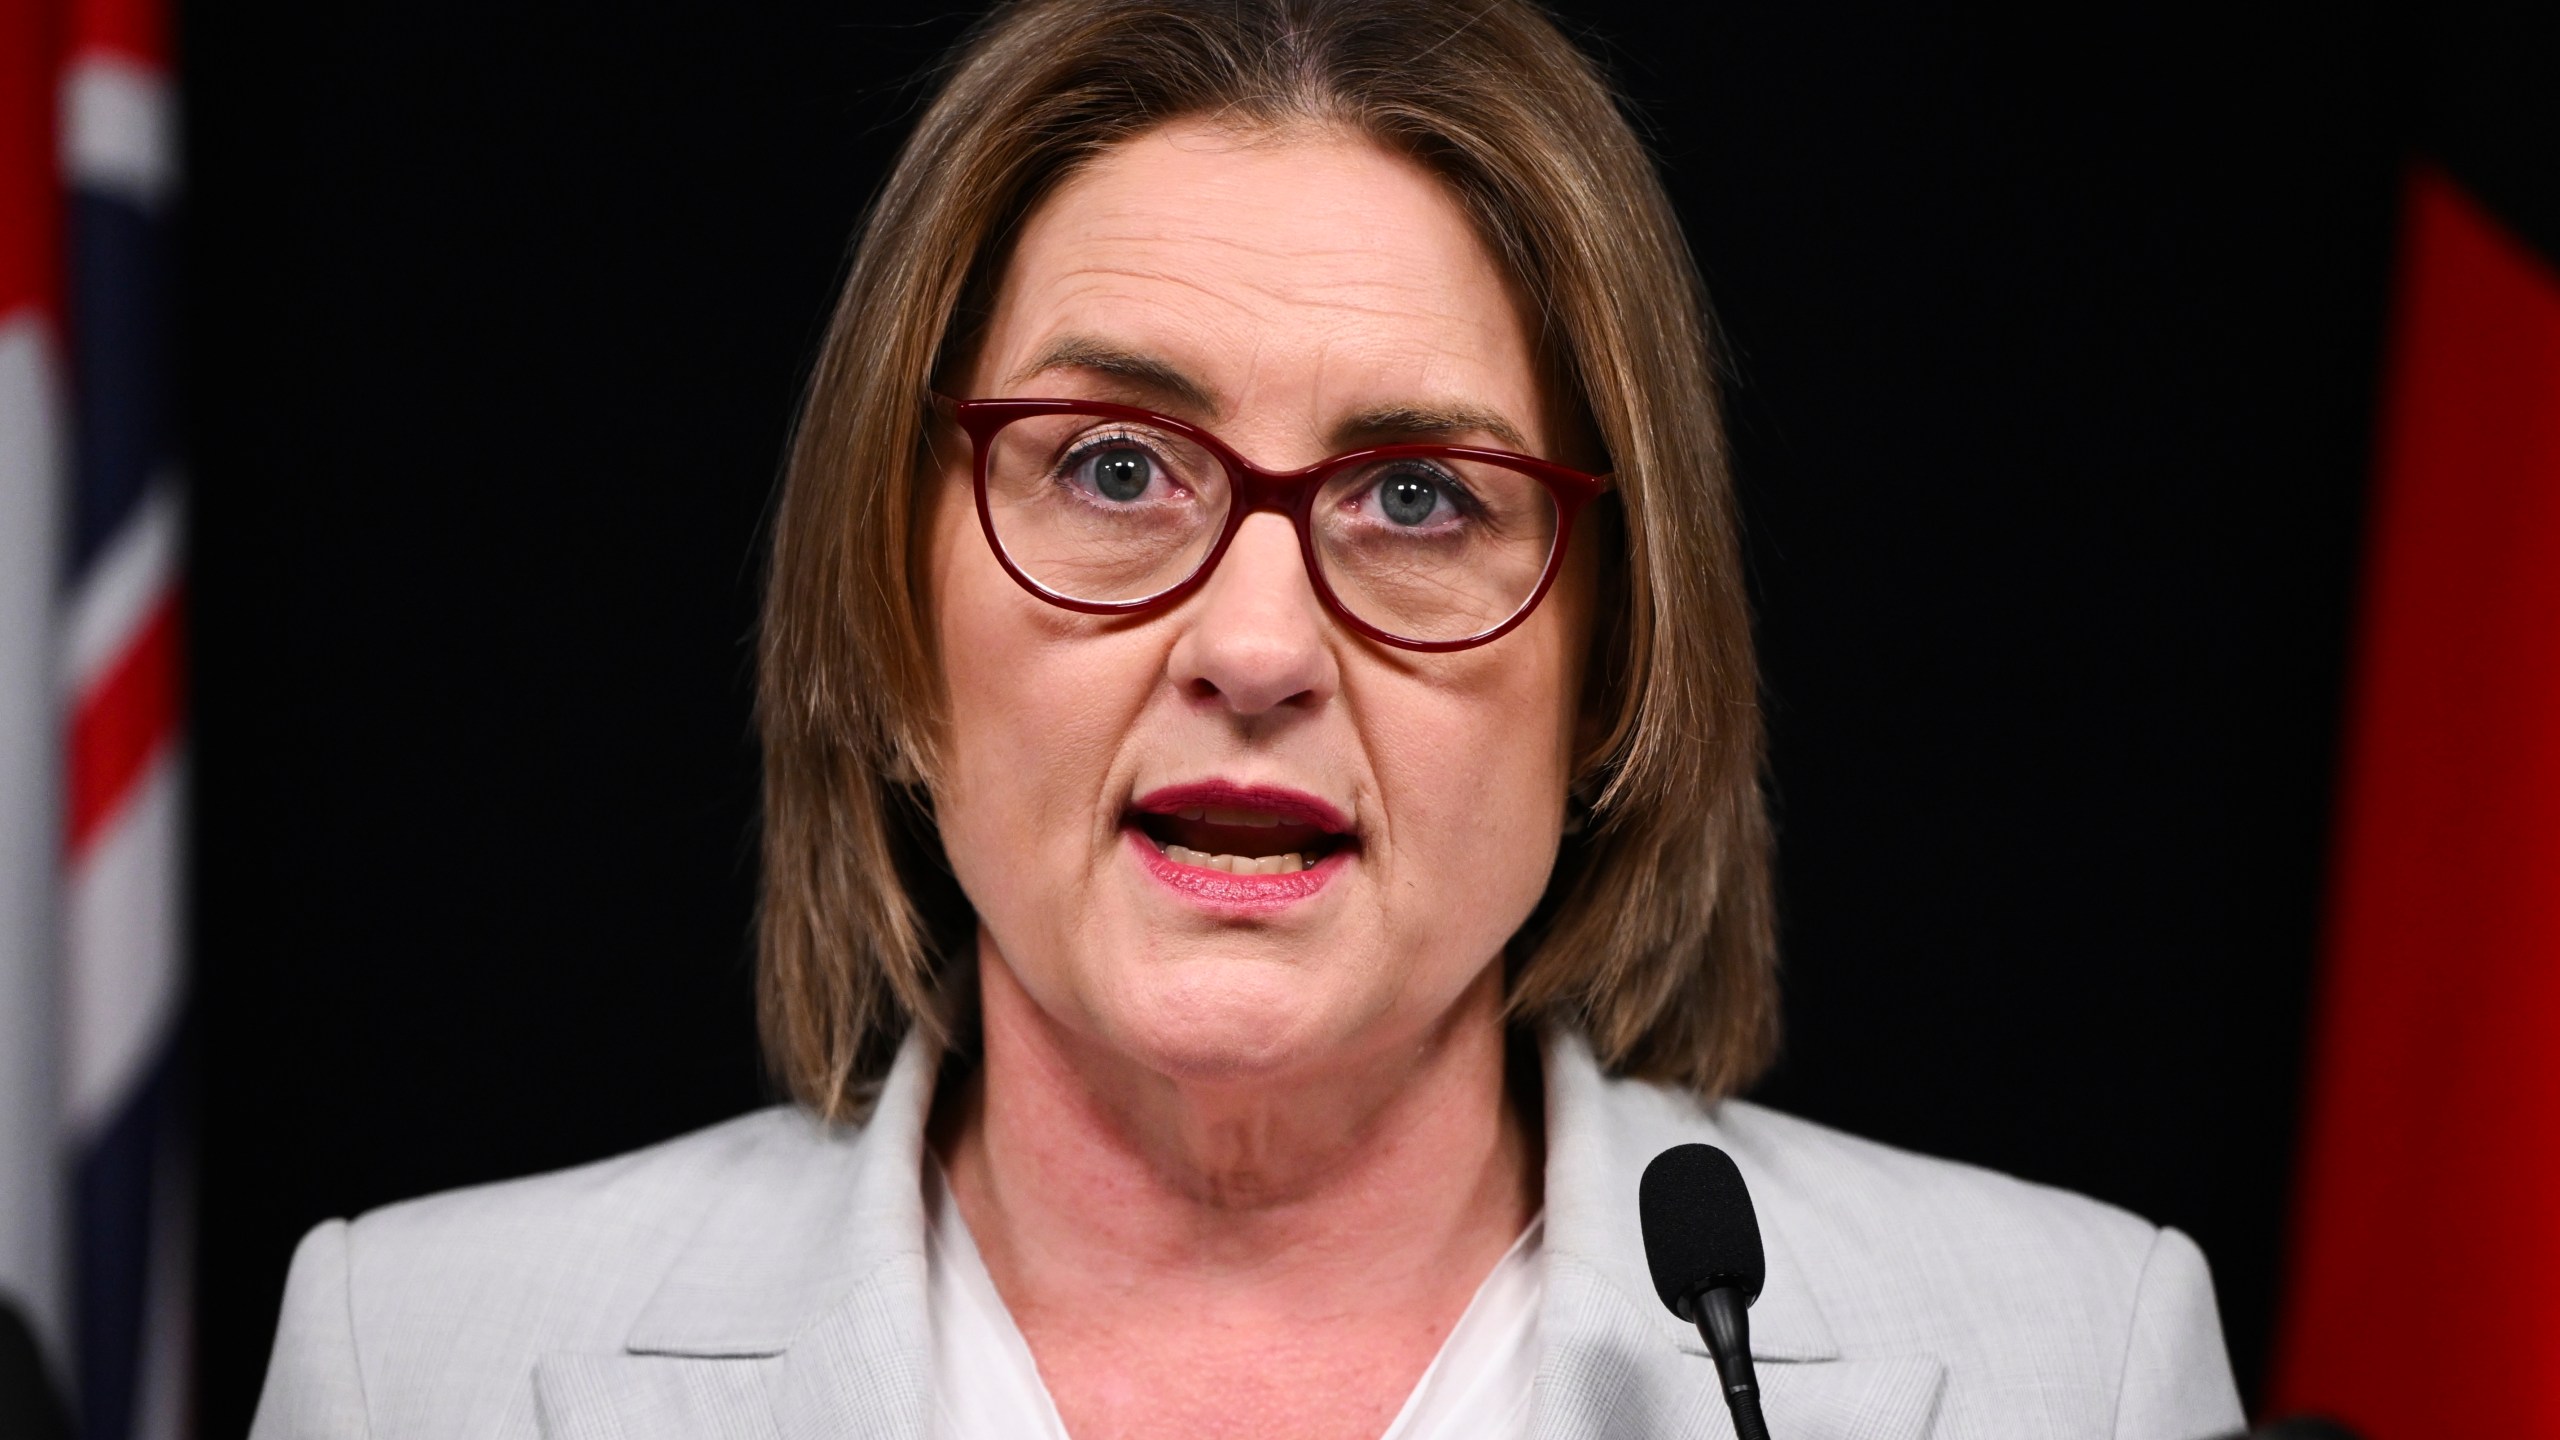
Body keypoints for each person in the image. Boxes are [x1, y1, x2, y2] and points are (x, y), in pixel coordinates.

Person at [249, 2, 2247, 1437]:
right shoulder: (418, 1355)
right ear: (890, 598)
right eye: (1112, 470)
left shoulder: (2062, 1366)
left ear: (1613, 672)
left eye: (1415, 499)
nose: (1256, 645)